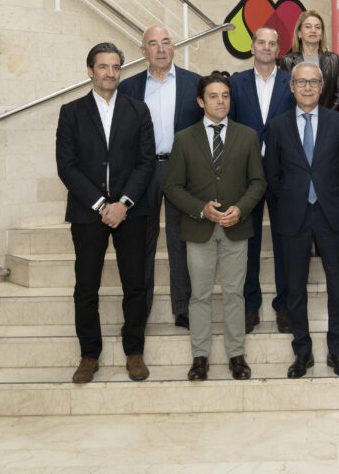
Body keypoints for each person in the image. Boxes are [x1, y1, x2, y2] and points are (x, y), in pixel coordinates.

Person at [55, 42, 155, 384]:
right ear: (90, 71)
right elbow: (67, 166)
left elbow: (146, 162)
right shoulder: (71, 112)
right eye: (103, 66)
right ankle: (89, 355)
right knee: (86, 287)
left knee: (135, 284)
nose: (110, 73)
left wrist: (123, 204)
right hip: (88, 213)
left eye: (115, 67)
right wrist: (101, 205)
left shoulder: (138, 110)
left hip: (131, 212)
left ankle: (134, 351)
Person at [164, 72, 267, 381]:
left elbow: (258, 182)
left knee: (235, 293)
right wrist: (201, 209)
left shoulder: (247, 136)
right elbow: (173, 187)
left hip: (237, 226)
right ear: (200, 101)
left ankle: (237, 355)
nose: (220, 101)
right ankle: (200, 357)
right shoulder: (184, 138)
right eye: (213, 96)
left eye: (225, 96)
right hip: (199, 229)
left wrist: (241, 208)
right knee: (199, 295)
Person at [264, 62, 339, 379]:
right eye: (301, 82)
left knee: (338, 286)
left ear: (322, 87)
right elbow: (272, 175)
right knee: (295, 288)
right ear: (291, 87)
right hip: (294, 215)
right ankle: (302, 352)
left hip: (331, 214)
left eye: (314, 82)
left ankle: (337, 351)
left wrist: (333, 199)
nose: (307, 87)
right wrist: (295, 197)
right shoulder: (276, 126)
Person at [118, 26, 202, 330]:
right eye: (153, 44)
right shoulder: (128, 88)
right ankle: (140, 309)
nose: (161, 48)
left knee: (181, 240)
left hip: (182, 169)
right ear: (144, 52)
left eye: (166, 42)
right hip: (143, 170)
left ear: (174, 47)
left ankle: (183, 307)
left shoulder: (195, 83)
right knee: (142, 239)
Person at [228, 27, 296, 334]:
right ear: (252, 47)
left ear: (279, 50)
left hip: (283, 172)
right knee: (248, 242)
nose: (266, 47)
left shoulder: (291, 82)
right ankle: (250, 305)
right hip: (246, 173)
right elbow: (230, 125)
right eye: (261, 42)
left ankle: (284, 305)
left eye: (272, 43)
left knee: (285, 240)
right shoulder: (236, 82)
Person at [278, 10, 339, 112]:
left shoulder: (334, 60)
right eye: (308, 27)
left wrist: (327, 118)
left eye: (317, 27)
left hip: (328, 119)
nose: (313, 30)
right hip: (296, 119)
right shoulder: (287, 62)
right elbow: (285, 97)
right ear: (299, 33)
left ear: (322, 34)